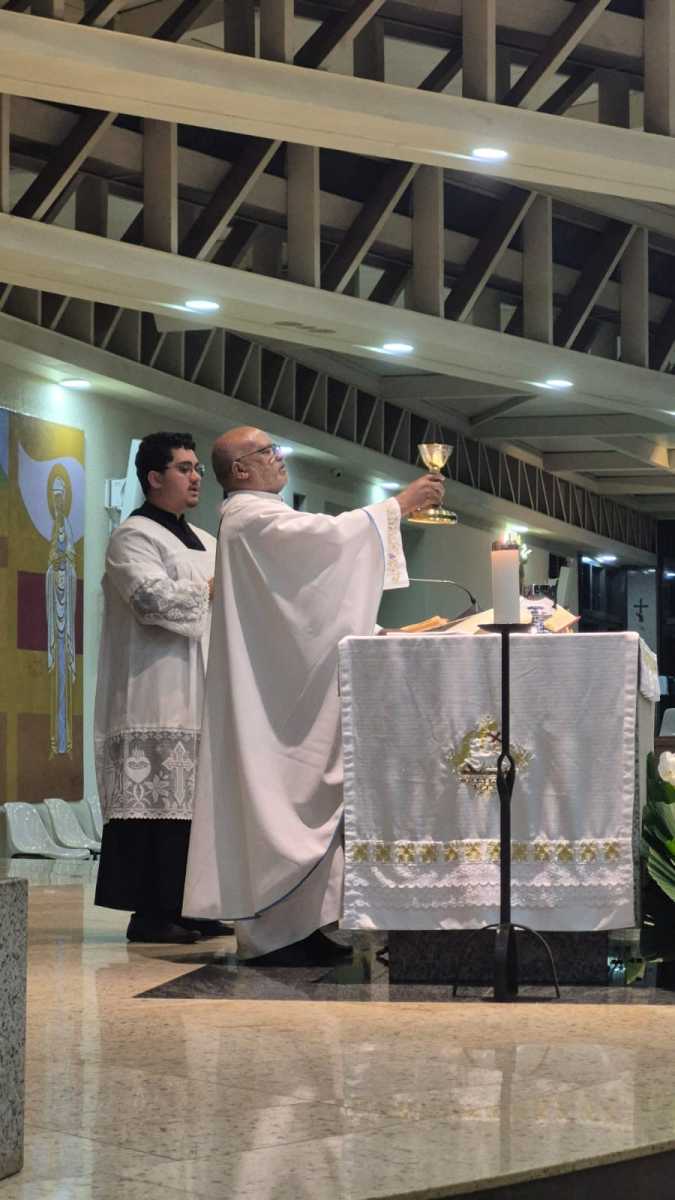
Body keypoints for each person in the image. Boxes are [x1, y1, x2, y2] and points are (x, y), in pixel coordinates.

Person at [182, 426, 445, 965]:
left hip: (282, 687)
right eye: (268, 452)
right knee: (282, 799)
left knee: (306, 798)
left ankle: (309, 924)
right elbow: (328, 541)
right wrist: (398, 505)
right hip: (274, 702)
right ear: (240, 470)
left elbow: (312, 584)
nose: (279, 458)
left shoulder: (259, 517)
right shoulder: (250, 518)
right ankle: (279, 932)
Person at [94, 431, 230, 944]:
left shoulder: (208, 540)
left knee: (197, 808)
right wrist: (212, 589)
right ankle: (150, 913)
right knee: (155, 807)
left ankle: (194, 906)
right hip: (154, 691)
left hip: (204, 688)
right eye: (184, 468)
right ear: (154, 477)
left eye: (198, 468)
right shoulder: (132, 537)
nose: (196, 477)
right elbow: (150, 600)